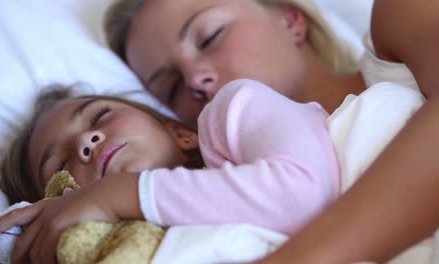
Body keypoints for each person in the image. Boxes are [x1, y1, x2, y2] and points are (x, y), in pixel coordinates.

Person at [102, 0, 439, 263]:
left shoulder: (401, 22)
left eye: (209, 37)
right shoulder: (228, 213)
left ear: (291, 22)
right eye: (172, 87)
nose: (194, 79)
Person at [0, 78, 339, 263]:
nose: (84, 142)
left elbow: (301, 196)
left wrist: (115, 195)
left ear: (181, 134)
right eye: (60, 165)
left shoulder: (232, 114)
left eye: (100, 115)